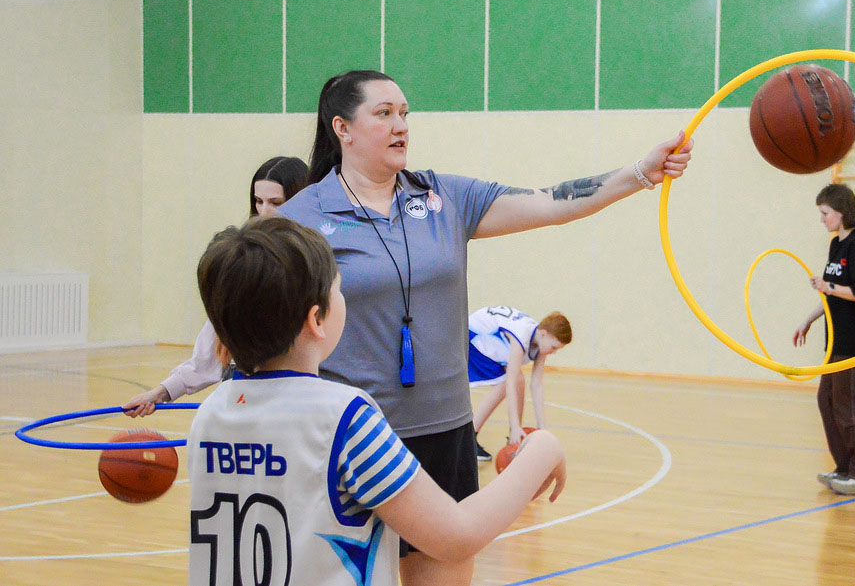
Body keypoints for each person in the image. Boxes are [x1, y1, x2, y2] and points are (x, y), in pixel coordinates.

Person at [278, 69, 692, 586]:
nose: (401, 124)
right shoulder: (302, 217)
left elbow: (552, 202)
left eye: (405, 113)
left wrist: (640, 172)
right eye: (384, 114)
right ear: (343, 128)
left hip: (444, 434)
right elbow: (263, 315)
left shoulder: (443, 197)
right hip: (353, 436)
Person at [188, 216, 566, 586]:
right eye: (340, 289)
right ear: (317, 319)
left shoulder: (209, 414)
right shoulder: (345, 418)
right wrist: (543, 448)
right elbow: (456, 536)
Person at [122, 156, 308, 417]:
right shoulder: (244, 259)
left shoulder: (313, 262)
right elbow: (211, 348)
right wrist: (162, 392)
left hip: (295, 392)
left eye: (276, 203)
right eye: (258, 201)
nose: (264, 211)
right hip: (242, 386)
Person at [792, 183, 855, 496]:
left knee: (851, 407)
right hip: (837, 340)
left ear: (842, 213)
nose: (821, 220)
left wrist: (827, 287)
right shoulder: (837, 245)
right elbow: (831, 291)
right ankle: (845, 468)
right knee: (828, 401)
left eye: (825, 213)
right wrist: (808, 319)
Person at [467, 306, 571, 461]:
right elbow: (510, 383)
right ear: (544, 334)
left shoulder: (540, 340)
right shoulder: (521, 337)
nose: (553, 352)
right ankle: (469, 440)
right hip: (474, 337)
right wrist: (514, 425)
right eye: (554, 347)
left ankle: (514, 438)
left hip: (490, 335)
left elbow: (536, 384)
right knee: (507, 383)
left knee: (519, 380)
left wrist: (542, 427)